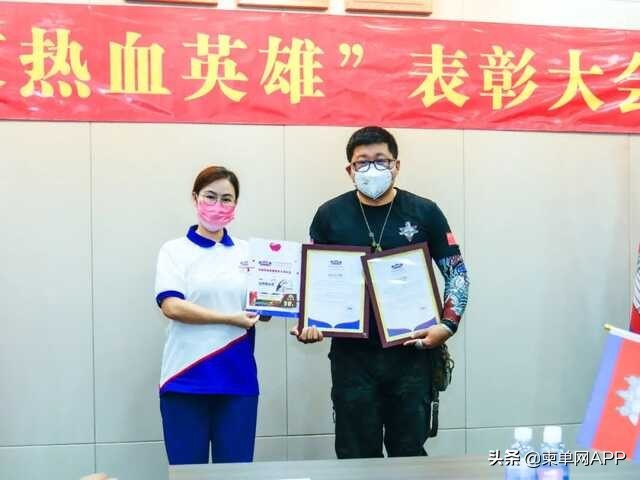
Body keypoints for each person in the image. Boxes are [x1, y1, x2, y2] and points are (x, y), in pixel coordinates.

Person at [291, 126, 469, 459]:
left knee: (409, 452)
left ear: (396, 165)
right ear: (349, 170)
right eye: (362, 162)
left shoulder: (424, 211)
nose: (372, 169)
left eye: (381, 160)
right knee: (355, 455)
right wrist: (308, 322)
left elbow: (456, 272)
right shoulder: (330, 215)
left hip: (412, 353)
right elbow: (314, 278)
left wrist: (447, 325)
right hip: (352, 357)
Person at [154, 166, 268, 465]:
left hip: (238, 378)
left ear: (236, 204)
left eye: (226, 199)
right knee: (187, 473)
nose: (218, 205)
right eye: (210, 196)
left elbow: (264, 306)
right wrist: (229, 318)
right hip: (185, 378)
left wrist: (283, 308)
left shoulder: (249, 252)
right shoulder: (174, 250)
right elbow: (172, 306)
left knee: (235, 474)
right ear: (195, 198)